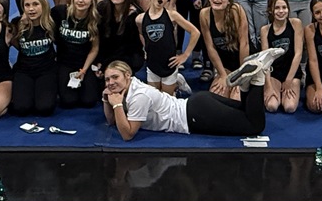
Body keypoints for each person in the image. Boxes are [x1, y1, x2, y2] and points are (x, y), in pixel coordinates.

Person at [101, 48, 284, 141]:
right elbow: (112, 121)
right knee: (246, 111)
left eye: (115, 77)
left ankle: (258, 76)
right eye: (107, 80)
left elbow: (127, 134)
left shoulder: (138, 96)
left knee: (255, 125)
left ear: (127, 76)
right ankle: (245, 84)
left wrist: (117, 104)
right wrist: (107, 100)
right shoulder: (130, 88)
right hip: (198, 104)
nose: (111, 83)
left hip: (195, 115)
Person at [137, 0, 200, 96]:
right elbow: (142, 33)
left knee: (166, 99)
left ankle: (176, 82)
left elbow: (195, 32)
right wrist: (146, 49)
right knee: (155, 98)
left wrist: (185, 55)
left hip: (169, 64)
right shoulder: (140, 19)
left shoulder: (172, 15)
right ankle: (177, 80)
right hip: (152, 64)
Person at [10, 0, 58, 119]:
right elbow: (12, 41)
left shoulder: (52, 23)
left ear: (44, 5)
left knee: (45, 108)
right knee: (21, 109)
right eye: (27, 5)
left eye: (35, 4)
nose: (31, 9)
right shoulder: (17, 23)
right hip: (24, 71)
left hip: (46, 70)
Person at [53, 0, 102, 108]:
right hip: (64, 63)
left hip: (84, 64)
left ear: (92, 1)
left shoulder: (95, 20)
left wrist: (84, 70)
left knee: (89, 101)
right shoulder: (60, 12)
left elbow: (94, 48)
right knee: (68, 102)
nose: (81, 0)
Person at [198, 0, 249, 100]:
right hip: (224, 64)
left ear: (229, 1)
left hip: (243, 63)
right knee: (217, 97)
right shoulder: (204, 14)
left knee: (236, 99)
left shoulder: (237, 11)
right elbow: (210, 47)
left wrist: (241, 75)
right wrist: (222, 74)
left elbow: (244, 44)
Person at [260, 0, 303, 114]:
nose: (281, 11)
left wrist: (289, 80)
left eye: (284, 7)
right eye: (277, 8)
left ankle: (292, 87)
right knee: (271, 106)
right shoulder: (265, 30)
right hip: (274, 72)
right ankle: (276, 89)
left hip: (292, 72)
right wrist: (268, 86)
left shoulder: (295, 23)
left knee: (289, 107)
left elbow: (298, 53)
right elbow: (266, 59)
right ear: (271, 11)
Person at [97, 0, 144, 73]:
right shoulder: (102, 8)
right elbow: (101, 40)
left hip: (127, 57)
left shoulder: (135, 15)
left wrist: (105, 65)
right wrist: (99, 62)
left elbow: (129, 48)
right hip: (107, 55)